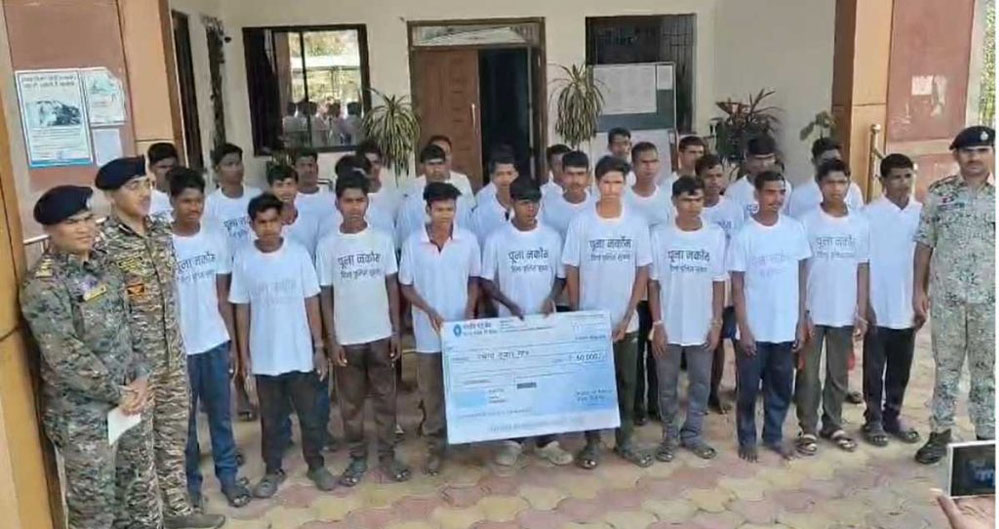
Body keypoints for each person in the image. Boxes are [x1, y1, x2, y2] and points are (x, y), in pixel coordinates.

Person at [95, 157, 225, 528]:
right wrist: (127, 372)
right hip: (133, 372)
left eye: (147, 184)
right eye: (133, 187)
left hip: (172, 360)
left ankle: (179, 513)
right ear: (111, 195)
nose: (144, 193)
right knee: (137, 456)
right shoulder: (104, 244)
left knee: (172, 443)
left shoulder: (159, 233)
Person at [20, 185, 160, 529]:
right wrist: (118, 392)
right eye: (72, 222)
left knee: (138, 495)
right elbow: (64, 354)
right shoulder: (44, 284)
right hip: (85, 418)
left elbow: (131, 323)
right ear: (49, 230)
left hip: (129, 403)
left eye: (87, 219)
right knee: (94, 511)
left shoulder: (105, 265)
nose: (84, 228)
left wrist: (141, 377)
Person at [230, 193, 337, 496]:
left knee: (310, 416)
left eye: (273, 221)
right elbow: (241, 309)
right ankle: (272, 470)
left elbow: (311, 301)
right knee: (271, 420)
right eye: (261, 222)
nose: (268, 228)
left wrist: (319, 346)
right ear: (252, 225)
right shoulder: (244, 259)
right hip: (265, 357)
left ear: (282, 222)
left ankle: (316, 465)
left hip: (300, 353)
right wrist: (244, 356)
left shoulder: (298, 254)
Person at [316, 172, 411, 487]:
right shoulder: (327, 245)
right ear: (337, 204)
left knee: (386, 399)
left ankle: (387, 455)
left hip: (380, 334)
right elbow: (325, 295)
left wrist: (396, 331)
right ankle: (357, 456)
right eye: (348, 201)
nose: (354, 207)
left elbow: (392, 286)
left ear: (368, 202)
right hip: (347, 338)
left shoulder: (382, 239)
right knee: (351, 403)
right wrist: (331, 340)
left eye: (360, 200)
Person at [563, 155, 654, 470]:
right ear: (596, 183)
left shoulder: (636, 222)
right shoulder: (581, 223)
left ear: (625, 184)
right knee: (593, 384)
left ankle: (625, 440)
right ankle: (592, 442)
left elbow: (643, 270)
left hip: (626, 321)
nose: (612, 188)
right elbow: (571, 269)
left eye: (618, 182)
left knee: (627, 382)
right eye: (606, 182)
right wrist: (579, 313)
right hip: (591, 320)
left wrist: (629, 315)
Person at [169, 168, 251, 509]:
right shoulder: (162, 244)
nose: (194, 207)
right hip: (179, 349)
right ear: (172, 202)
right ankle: (191, 487)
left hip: (215, 342)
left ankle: (228, 478)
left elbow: (223, 295)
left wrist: (231, 343)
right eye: (186, 201)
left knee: (221, 417)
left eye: (198, 200)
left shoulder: (216, 236)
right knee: (185, 424)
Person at [914, 126, 996, 464]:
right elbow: (924, 245)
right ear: (957, 155)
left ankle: (987, 439)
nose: (974, 158)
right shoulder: (939, 194)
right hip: (947, 299)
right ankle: (939, 433)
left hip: (990, 303)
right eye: (967, 152)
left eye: (982, 151)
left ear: (992, 153)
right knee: (946, 369)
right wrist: (918, 290)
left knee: (986, 372)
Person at [479, 175, 574, 467]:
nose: (530, 209)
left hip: (544, 323)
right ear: (512, 203)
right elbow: (486, 280)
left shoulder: (551, 237)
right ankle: (514, 441)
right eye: (524, 203)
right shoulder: (497, 238)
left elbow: (560, 275)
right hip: (513, 324)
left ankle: (547, 440)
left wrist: (552, 298)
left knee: (545, 381)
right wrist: (508, 304)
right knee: (515, 381)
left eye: (534, 203)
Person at [727, 170, 811, 462]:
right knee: (749, 388)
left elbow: (801, 277)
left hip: (785, 326)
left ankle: (773, 435)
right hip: (754, 327)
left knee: (781, 386)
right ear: (757, 195)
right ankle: (747, 438)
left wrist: (800, 321)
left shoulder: (794, 230)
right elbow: (737, 285)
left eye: (781, 192)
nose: (776, 198)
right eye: (770, 192)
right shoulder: (744, 235)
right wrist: (744, 328)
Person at [399, 182, 480, 475]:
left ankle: (464, 443)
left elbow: (474, 280)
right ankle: (435, 448)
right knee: (432, 393)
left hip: (460, 332)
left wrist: (469, 309)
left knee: (463, 388)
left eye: (450, 209)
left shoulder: (468, 241)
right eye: (439, 209)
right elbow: (406, 286)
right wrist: (428, 310)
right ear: (428, 210)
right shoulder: (413, 243)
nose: (445, 215)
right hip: (427, 334)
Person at [794, 159, 870, 456]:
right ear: (819, 184)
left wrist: (861, 310)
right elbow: (801, 270)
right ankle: (807, 427)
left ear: (849, 184)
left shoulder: (860, 223)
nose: (836, 189)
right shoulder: (806, 221)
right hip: (813, 311)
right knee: (808, 373)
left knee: (839, 372)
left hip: (844, 311)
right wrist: (801, 312)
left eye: (841, 182)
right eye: (830, 183)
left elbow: (862, 269)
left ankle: (833, 423)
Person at [648, 176, 726, 462]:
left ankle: (692, 433)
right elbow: (653, 284)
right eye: (686, 200)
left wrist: (716, 323)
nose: (693, 206)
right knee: (667, 384)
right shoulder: (660, 235)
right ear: (674, 202)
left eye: (698, 200)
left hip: (702, 325)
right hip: (668, 326)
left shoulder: (715, 234)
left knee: (701, 382)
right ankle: (669, 435)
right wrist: (657, 324)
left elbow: (719, 282)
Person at [861, 153, 922, 447]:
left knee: (901, 367)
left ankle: (892, 415)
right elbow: (862, 262)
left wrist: (923, 297)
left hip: (907, 304)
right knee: (874, 368)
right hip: (878, 304)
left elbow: (926, 259)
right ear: (882, 180)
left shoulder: (922, 213)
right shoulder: (868, 215)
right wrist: (864, 303)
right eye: (896, 177)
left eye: (908, 176)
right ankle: (872, 418)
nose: (903, 183)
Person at [624, 141, 669, 426]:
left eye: (653, 161)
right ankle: (636, 406)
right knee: (635, 350)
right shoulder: (624, 199)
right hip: (632, 288)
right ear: (633, 165)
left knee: (658, 349)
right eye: (643, 162)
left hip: (661, 287)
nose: (649, 167)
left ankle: (656, 403)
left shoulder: (666, 200)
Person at [696, 154, 743, 413]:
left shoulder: (733, 209)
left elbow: (740, 247)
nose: (714, 181)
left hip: (727, 286)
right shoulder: (693, 208)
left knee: (723, 340)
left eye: (718, 175)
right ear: (698, 178)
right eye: (708, 176)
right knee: (701, 343)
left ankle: (716, 391)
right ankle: (700, 393)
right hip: (698, 286)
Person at [397, 144, 473, 244]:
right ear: (422, 167)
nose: (436, 169)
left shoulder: (460, 201)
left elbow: (467, 233)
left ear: (446, 165)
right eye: (431, 164)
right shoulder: (409, 204)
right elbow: (404, 238)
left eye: (440, 164)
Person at [787, 137, 864, 219]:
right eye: (826, 161)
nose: (831, 164)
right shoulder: (799, 195)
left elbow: (859, 219)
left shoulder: (853, 190)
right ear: (814, 161)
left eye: (835, 160)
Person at [204, 143, 262, 248]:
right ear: (217, 169)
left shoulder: (256, 195)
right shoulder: (210, 203)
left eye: (238, 163)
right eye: (229, 164)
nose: (236, 169)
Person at [725, 135, 792, 219]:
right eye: (758, 159)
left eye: (768, 158)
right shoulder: (734, 192)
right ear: (748, 159)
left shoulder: (785, 187)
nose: (764, 164)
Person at [267, 164, 321, 258]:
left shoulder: (311, 220)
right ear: (271, 189)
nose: (285, 191)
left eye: (289, 184)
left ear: (297, 186)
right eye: (279, 185)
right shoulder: (265, 224)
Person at [542, 150, 594, 240]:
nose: (575, 180)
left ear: (588, 176)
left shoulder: (598, 206)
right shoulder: (548, 208)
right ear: (562, 175)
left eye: (580, 174)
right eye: (570, 174)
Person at [470, 150, 519, 245]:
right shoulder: (480, 214)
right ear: (492, 177)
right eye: (500, 174)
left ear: (516, 175)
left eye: (509, 173)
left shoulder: (527, 208)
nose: (505, 179)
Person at [357, 140, 403, 238]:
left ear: (381, 163)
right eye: (367, 163)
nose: (371, 167)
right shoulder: (353, 200)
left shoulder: (395, 198)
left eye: (375, 163)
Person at [406, 135, 475, 200]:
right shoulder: (415, 185)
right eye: (436, 152)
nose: (442, 156)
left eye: (446, 153)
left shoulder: (462, 180)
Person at [293, 147, 337, 236]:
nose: (307, 170)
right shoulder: (289, 201)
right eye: (302, 166)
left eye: (310, 165)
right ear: (295, 170)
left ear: (317, 168)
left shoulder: (332, 199)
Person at [148, 142, 179, 220]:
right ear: (151, 168)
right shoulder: (146, 200)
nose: (169, 171)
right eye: (163, 167)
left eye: (173, 167)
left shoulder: (189, 196)